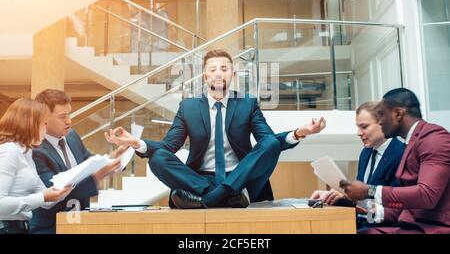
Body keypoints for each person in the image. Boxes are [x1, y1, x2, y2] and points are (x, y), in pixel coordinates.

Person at [105, 49, 326, 209]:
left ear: (233, 74)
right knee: (157, 158)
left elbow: (268, 141)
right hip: (200, 179)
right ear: (205, 76)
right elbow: (168, 147)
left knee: (268, 144)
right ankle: (220, 195)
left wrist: (298, 133)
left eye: (224, 68)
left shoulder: (247, 104)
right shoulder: (188, 107)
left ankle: (210, 200)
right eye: (213, 69)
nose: (218, 73)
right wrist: (136, 143)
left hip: (241, 178)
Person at [340, 88, 450, 234]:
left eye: (382, 115)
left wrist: (370, 191)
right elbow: (406, 204)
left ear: (398, 114)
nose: (379, 122)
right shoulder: (412, 143)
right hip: (408, 226)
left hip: (431, 228)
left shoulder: (434, 139)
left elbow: (426, 195)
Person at [30, 89, 122, 234]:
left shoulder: (72, 136)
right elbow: (53, 192)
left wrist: (114, 157)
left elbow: (89, 162)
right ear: (44, 118)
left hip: (80, 222)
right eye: (62, 117)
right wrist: (98, 176)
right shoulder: (35, 150)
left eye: (69, 114)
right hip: (51, 227)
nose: (69, 121)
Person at [310, 101, 405, 228]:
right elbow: (361, 197)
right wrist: (341, 196)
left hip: (385, 227)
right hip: (362, 223)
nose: (358, 133)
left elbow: (400, 206)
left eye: (364, 126)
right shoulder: (366, 153)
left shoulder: (402, 154)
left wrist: (362, 205)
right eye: (358, 127)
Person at [0, 98, 72, 234]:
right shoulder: (9, 151)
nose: (46, 131)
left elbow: (45, 200)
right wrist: (44, 197)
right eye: (44, 124)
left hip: (20, 228)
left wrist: (60, 192)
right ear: (29, 124)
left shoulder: (26, 153)